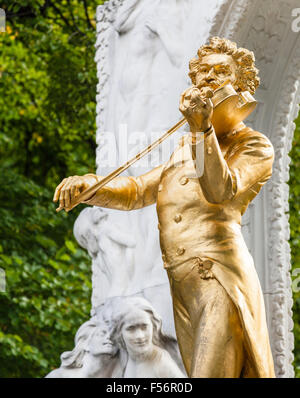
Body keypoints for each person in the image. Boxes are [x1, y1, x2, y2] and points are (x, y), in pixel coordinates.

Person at [53, 37, 276, 378]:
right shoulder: (186, 149)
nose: (208, 79)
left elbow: (220, 190)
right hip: (183, 285)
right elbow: (137, 190)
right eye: (203, 73)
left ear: (241, 84)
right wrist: (90, 187)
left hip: (218, 275)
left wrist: (202, 129)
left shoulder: (254, 145)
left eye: (220, 72)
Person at [110, 297, 185, 378]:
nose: (140, 336)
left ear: (154, 327)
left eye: (144, 327)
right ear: (119, 333)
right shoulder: (126, 357)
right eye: (131, 328)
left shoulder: (162, 363)